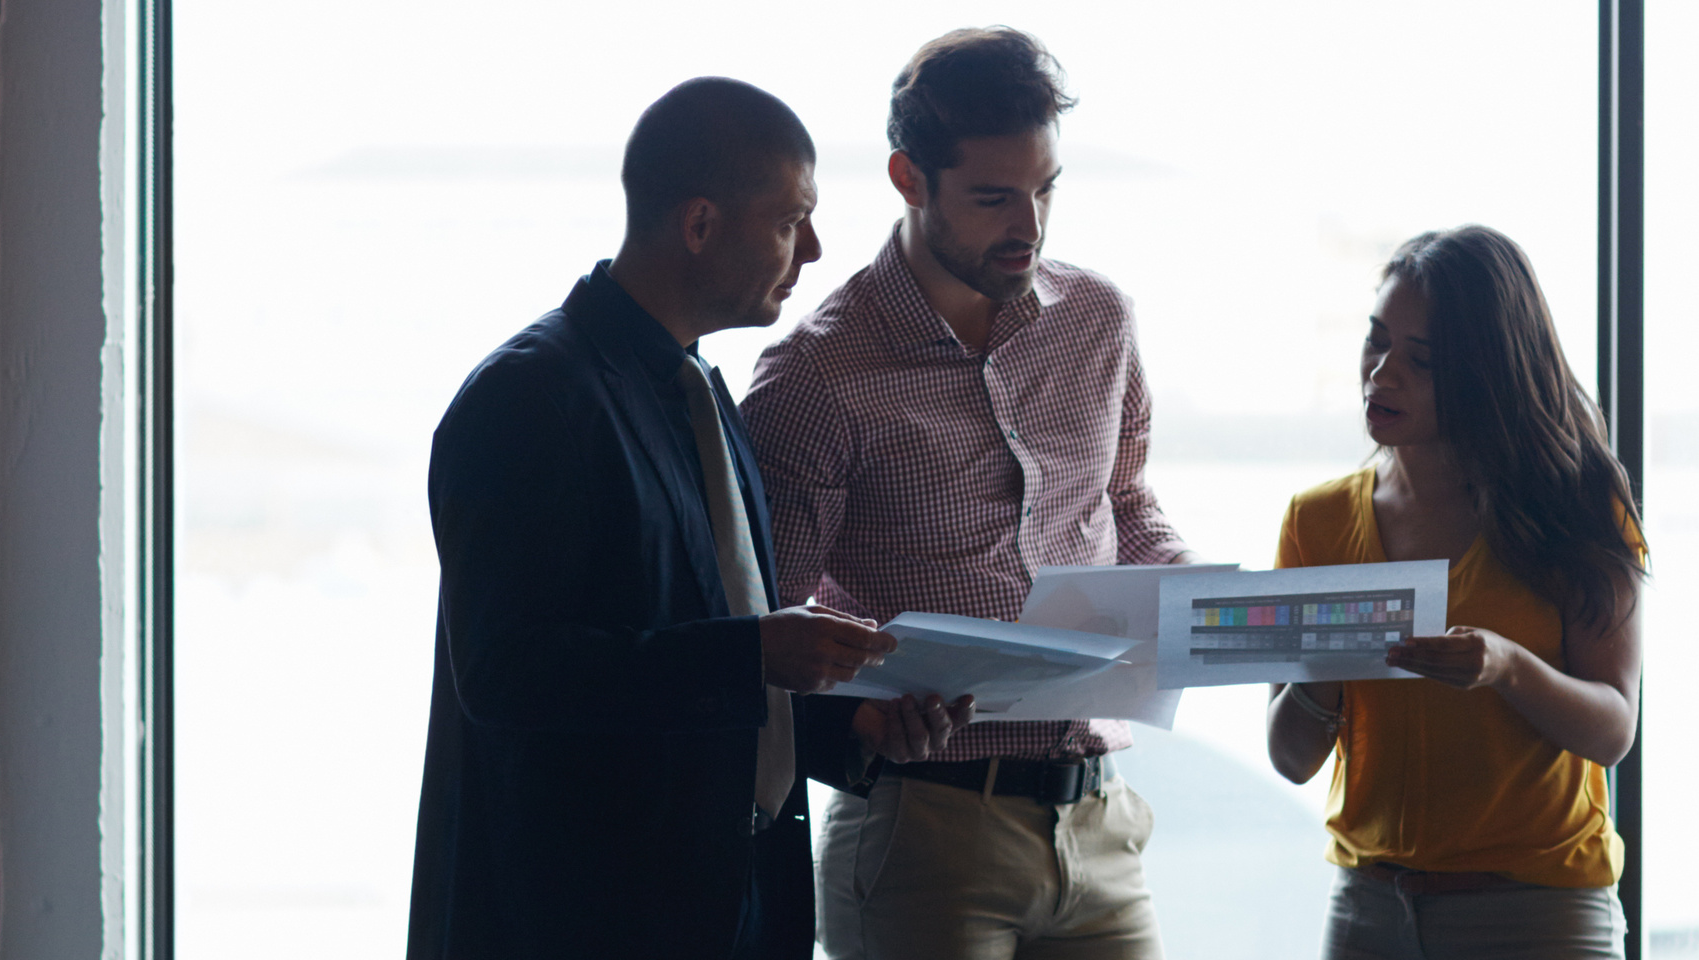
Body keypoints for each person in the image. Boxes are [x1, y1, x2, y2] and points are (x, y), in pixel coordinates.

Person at [408, 77, 897, 960]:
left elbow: (683, 640)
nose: (815, 249)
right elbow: (509, 673)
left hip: (731, 896)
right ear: (701, 224)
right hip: (595, 915)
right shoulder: (530, 397)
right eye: (792, 219)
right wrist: (756, 652)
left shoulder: (700, 387)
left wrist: (846, 721)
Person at [740, 26, 1187, 960]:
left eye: (1044, 190)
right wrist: (857, 707)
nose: (1028, 225)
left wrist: (1196, 598)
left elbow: (1126, 505)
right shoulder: (815, 376)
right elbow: (761, 619)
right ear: (909, 178)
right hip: (925, 827)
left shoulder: (1099, 320)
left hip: (1100, 818)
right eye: (993, 197)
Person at [1263, 226, 1645, 960]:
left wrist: (1507, 667)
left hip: (1540, 915)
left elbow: (1612, 729)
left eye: (1422, 360)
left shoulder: (1579, 506)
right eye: (1376, 341)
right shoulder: (1316, 522)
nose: (1382, 373)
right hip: (1370, 909)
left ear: (1489, 374)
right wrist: (1327, 667)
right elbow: (1290, 758)